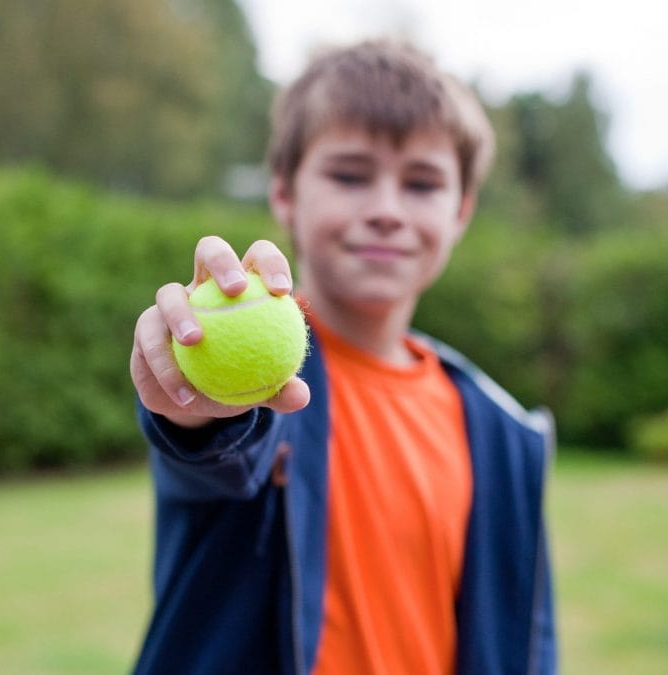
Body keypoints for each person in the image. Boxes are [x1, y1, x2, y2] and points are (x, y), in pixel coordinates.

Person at [129, 39, 557, 674]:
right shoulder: (261, 397)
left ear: (461, 210)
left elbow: (524, 643)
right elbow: (211, 449)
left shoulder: (504, 433)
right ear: (285, 195)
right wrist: (197, 407)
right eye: (350, 175)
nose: (385, 211)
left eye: (422, 183)